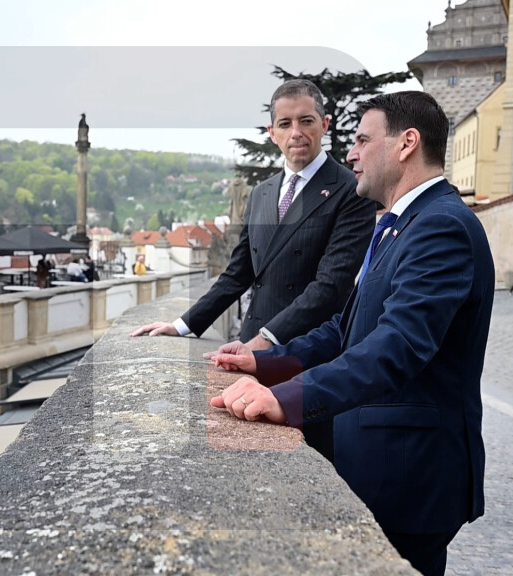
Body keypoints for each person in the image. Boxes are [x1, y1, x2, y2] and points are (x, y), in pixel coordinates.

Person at [209, 92, 493, 576]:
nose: (352, 154)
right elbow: (348, 328)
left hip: (411, 474)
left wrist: (289, 400)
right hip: (382, 464)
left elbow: (397, 346)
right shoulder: (398, 226)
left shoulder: (441, 226)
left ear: (406, 144)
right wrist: (263, 363)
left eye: (362, 139)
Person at [130, 79, 376, 462]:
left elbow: (330, 286)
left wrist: (265, 339)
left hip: (307, 354)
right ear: (272, 132)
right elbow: (238, 272)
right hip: (251, 349)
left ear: (324, 125)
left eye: (307, 121)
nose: (296, 133)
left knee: (307, 459)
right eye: (285, 123)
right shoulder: (262, 193)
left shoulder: (349, 190)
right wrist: (181, 326)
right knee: (249, 452)